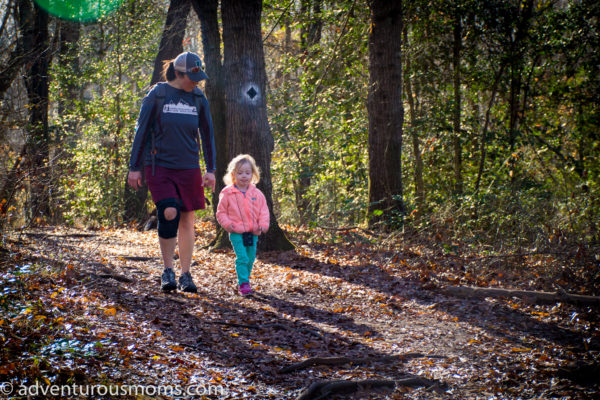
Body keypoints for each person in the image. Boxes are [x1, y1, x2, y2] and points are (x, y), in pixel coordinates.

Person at [127, 51, 216, 293]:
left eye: (198, 77)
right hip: (159, 166)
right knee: (168, 212)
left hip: (189, 167)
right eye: (191, 77)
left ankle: (186, 274)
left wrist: (211, 169)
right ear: (178, 74)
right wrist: (134, 167)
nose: (196, 82)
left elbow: (207, 137)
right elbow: (141, 131)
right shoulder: (158, 95)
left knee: (187, 218)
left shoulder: (199, 98)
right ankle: (168, 270)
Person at [216, 154, 269, 296]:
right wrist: (228, 224)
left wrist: (263, 225)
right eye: (240, 173)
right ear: (233, 175)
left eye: (247, 172)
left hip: (253, 232)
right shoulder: (227, 193)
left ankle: (245, 279)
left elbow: (264, 211)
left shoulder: (257, 193)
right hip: (236, 232)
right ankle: (244, 284)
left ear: (253, 174)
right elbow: (221, 212)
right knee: (242, 258)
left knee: (250, 258)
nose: (244, 176)